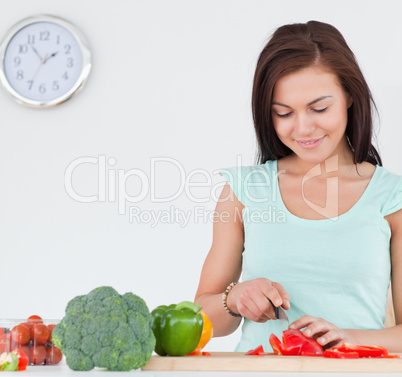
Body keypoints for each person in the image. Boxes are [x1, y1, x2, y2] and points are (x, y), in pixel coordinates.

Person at [194, 20, 402, 353]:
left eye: (319, 108)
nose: (303, 128)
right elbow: (198, 319)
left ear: (349, 95)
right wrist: (235, 298)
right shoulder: (244, 190)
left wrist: (348, 338)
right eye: (284, 113)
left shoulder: (391, 196)